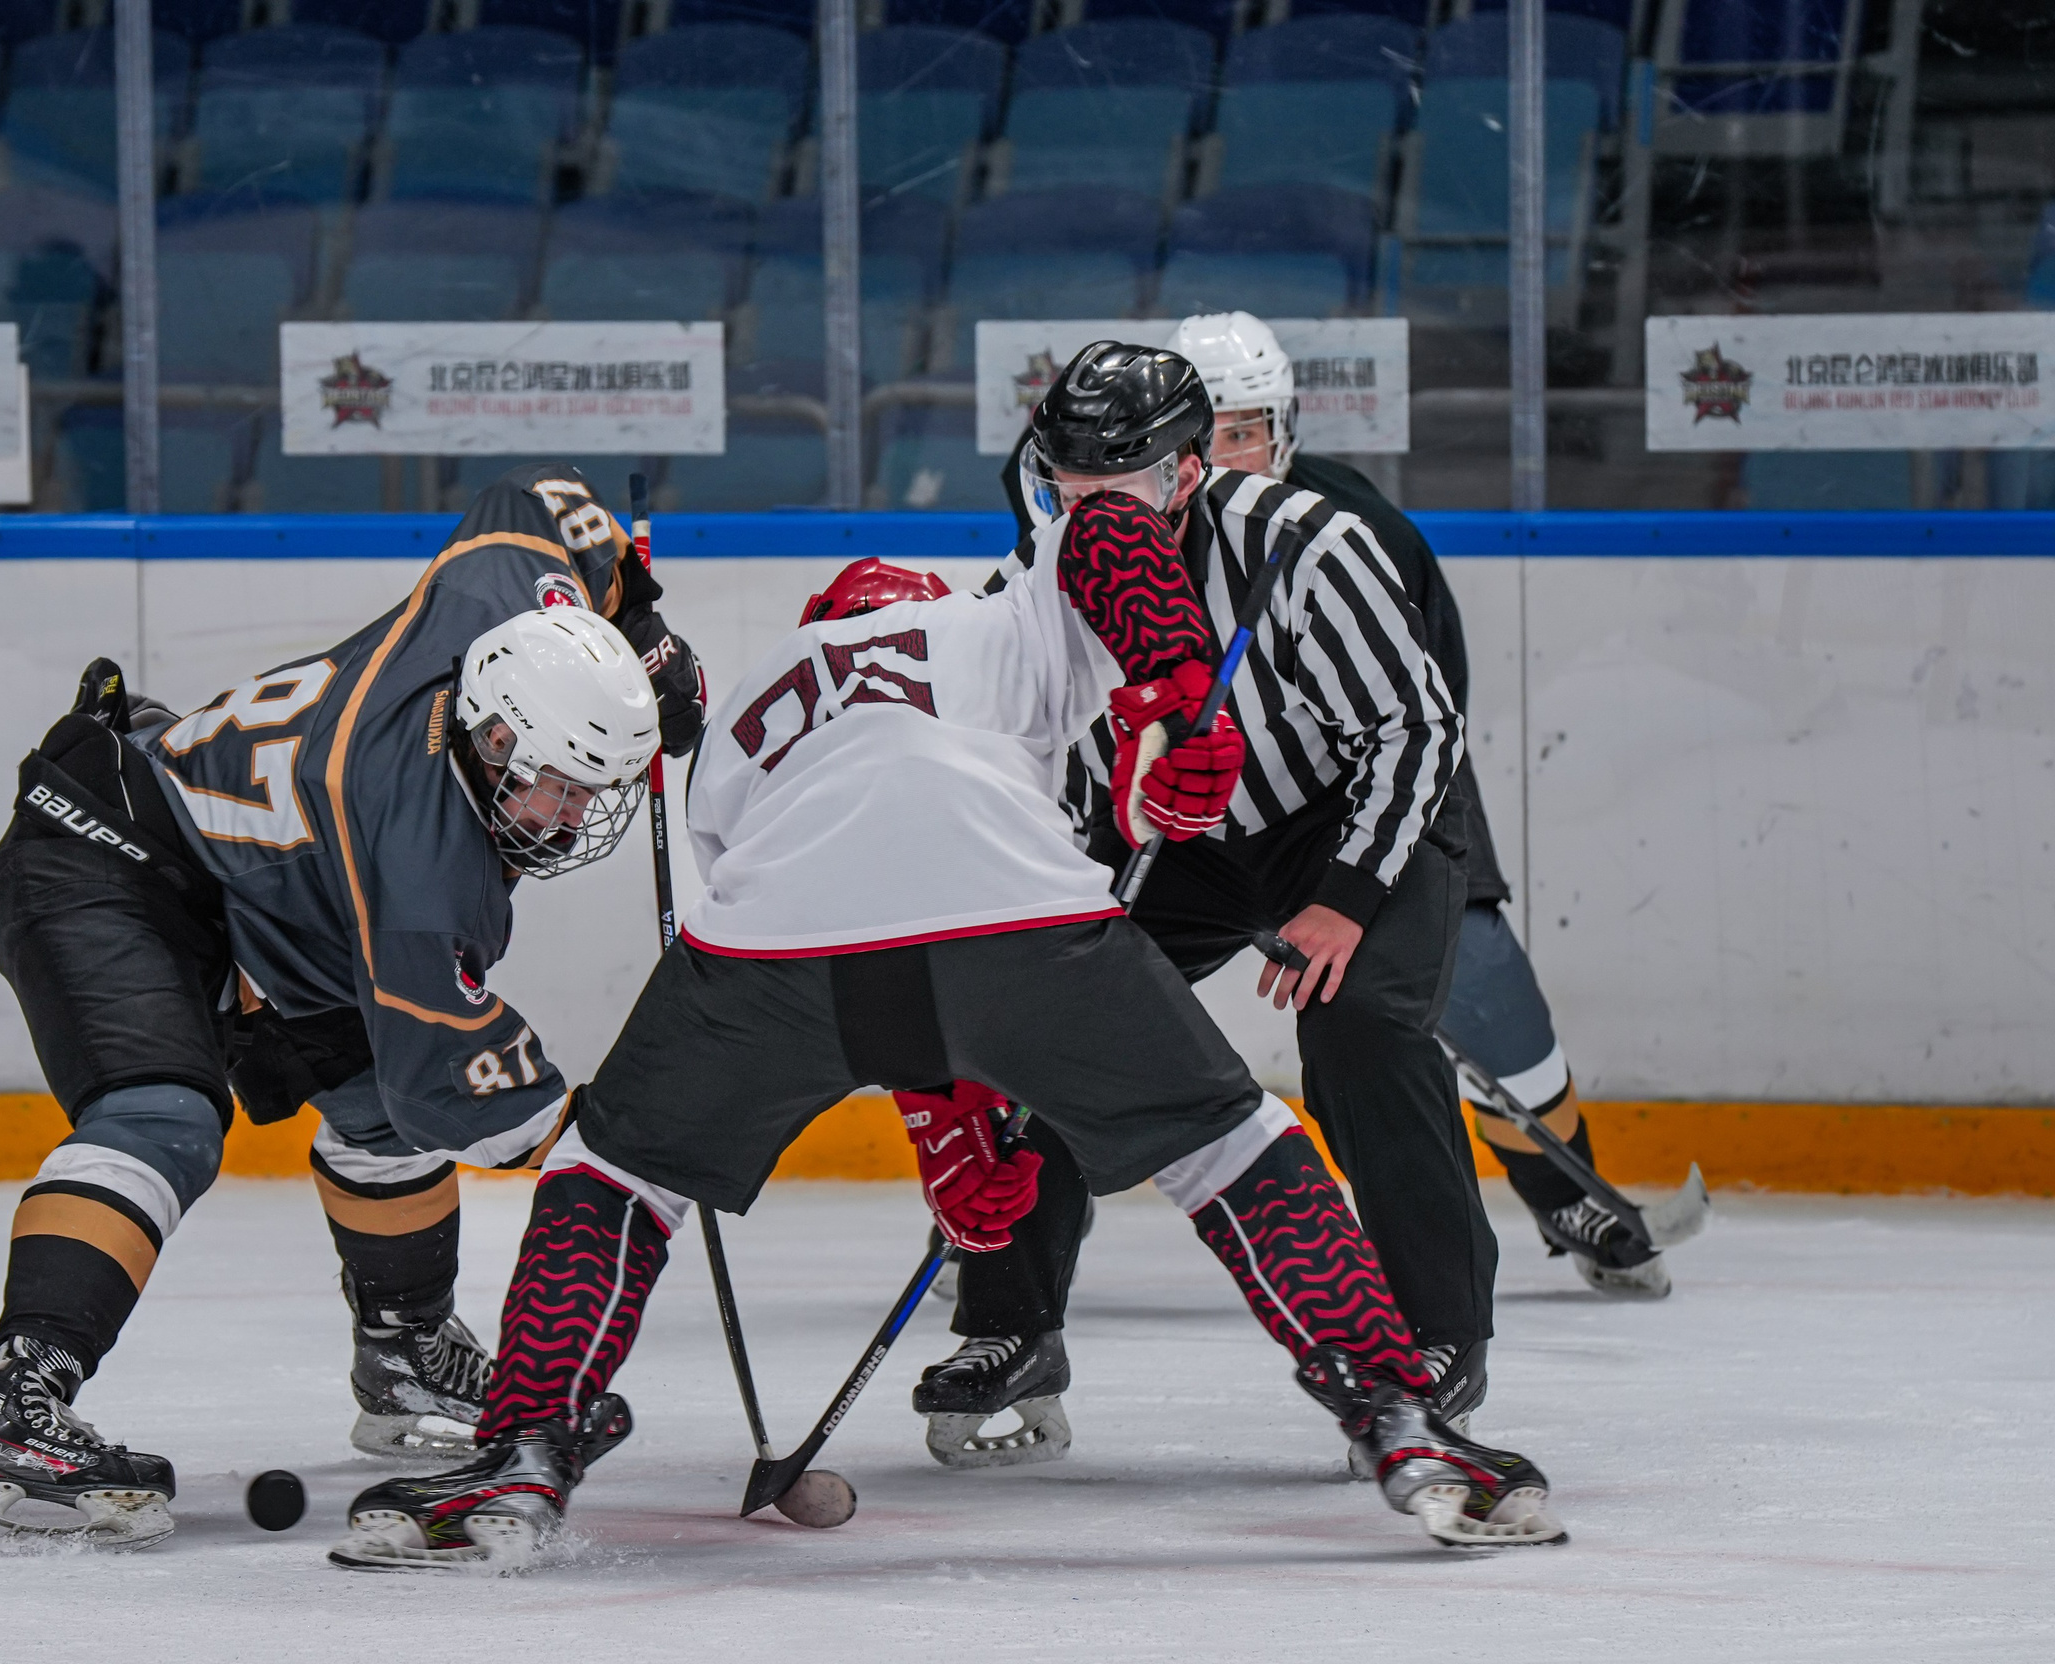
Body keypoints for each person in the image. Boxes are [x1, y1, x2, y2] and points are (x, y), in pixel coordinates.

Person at [332, 437, 1568, 1570]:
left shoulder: (763, 695)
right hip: (1014, 908)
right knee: (1230, 1149)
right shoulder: (993, 621)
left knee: (610, 1173)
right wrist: (1170, 695)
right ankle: (1401, 1416)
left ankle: (525, 1449)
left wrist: (941, 1119)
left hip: (779, 930)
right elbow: (1107, 534)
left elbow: (855, 942)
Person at [0, 464, 705, 1552]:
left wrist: (642, 623)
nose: (572, 821)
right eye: (557, 786)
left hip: (272, 888)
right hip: (107, 848)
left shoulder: (488, 615)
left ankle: (404, 1350)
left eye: (592, 793)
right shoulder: (426, 871)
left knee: (373, 1108)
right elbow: (462, 1086)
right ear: (490, 739)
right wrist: (639, 1143)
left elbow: (536, 497)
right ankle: (16, 1395)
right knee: (164, 1117)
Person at [938, 316, 1665, 1472]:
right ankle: (1010, 1324)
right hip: (1172, 842)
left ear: (1184, 471)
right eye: (1063, 482)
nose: (1083, 509)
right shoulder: (1031, 581)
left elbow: (1415, 726)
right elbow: (1021, 759)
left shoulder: (1308, 543)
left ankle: (1437, 1334)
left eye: (1111, 483)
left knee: (1362, 1027)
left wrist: (1341, 897)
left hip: (1350, 819)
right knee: (1047, 1029)